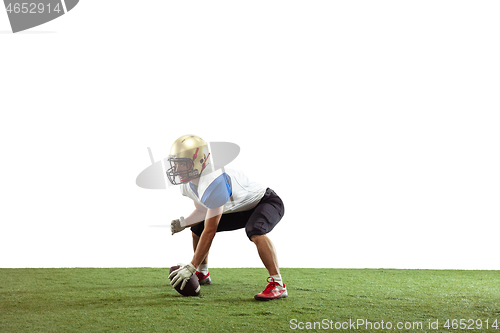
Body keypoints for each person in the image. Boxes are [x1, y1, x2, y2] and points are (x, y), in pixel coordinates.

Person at [167, 134, 287, 300]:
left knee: (255, 230)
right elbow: (203, 211)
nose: (178, 169)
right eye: (176, 163)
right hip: (239, 208)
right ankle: (203, 273)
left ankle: (278, 284)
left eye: (183, 163)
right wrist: (185, 223)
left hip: (264, 202)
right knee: (197, 227)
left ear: (200, 161)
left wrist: (191, 266)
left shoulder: (214, 181)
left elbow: (210, 231)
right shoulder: (188, 183)